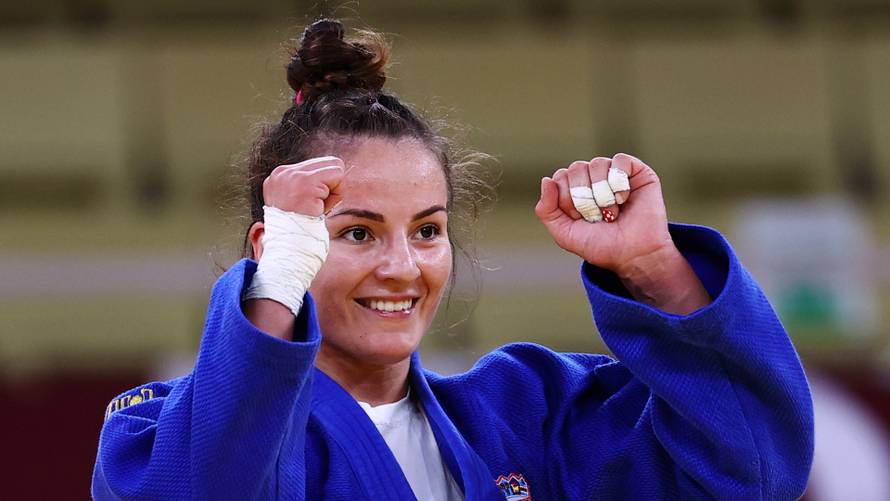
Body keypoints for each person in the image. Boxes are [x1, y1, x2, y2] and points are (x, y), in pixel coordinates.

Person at [91, 19, 814, 501]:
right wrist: (277, 285)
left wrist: (655, 264)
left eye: (428, 229)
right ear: (274, 245)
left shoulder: (526, 413)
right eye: (357, 233)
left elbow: (751, 468)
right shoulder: (156, 436)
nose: (403, 265)